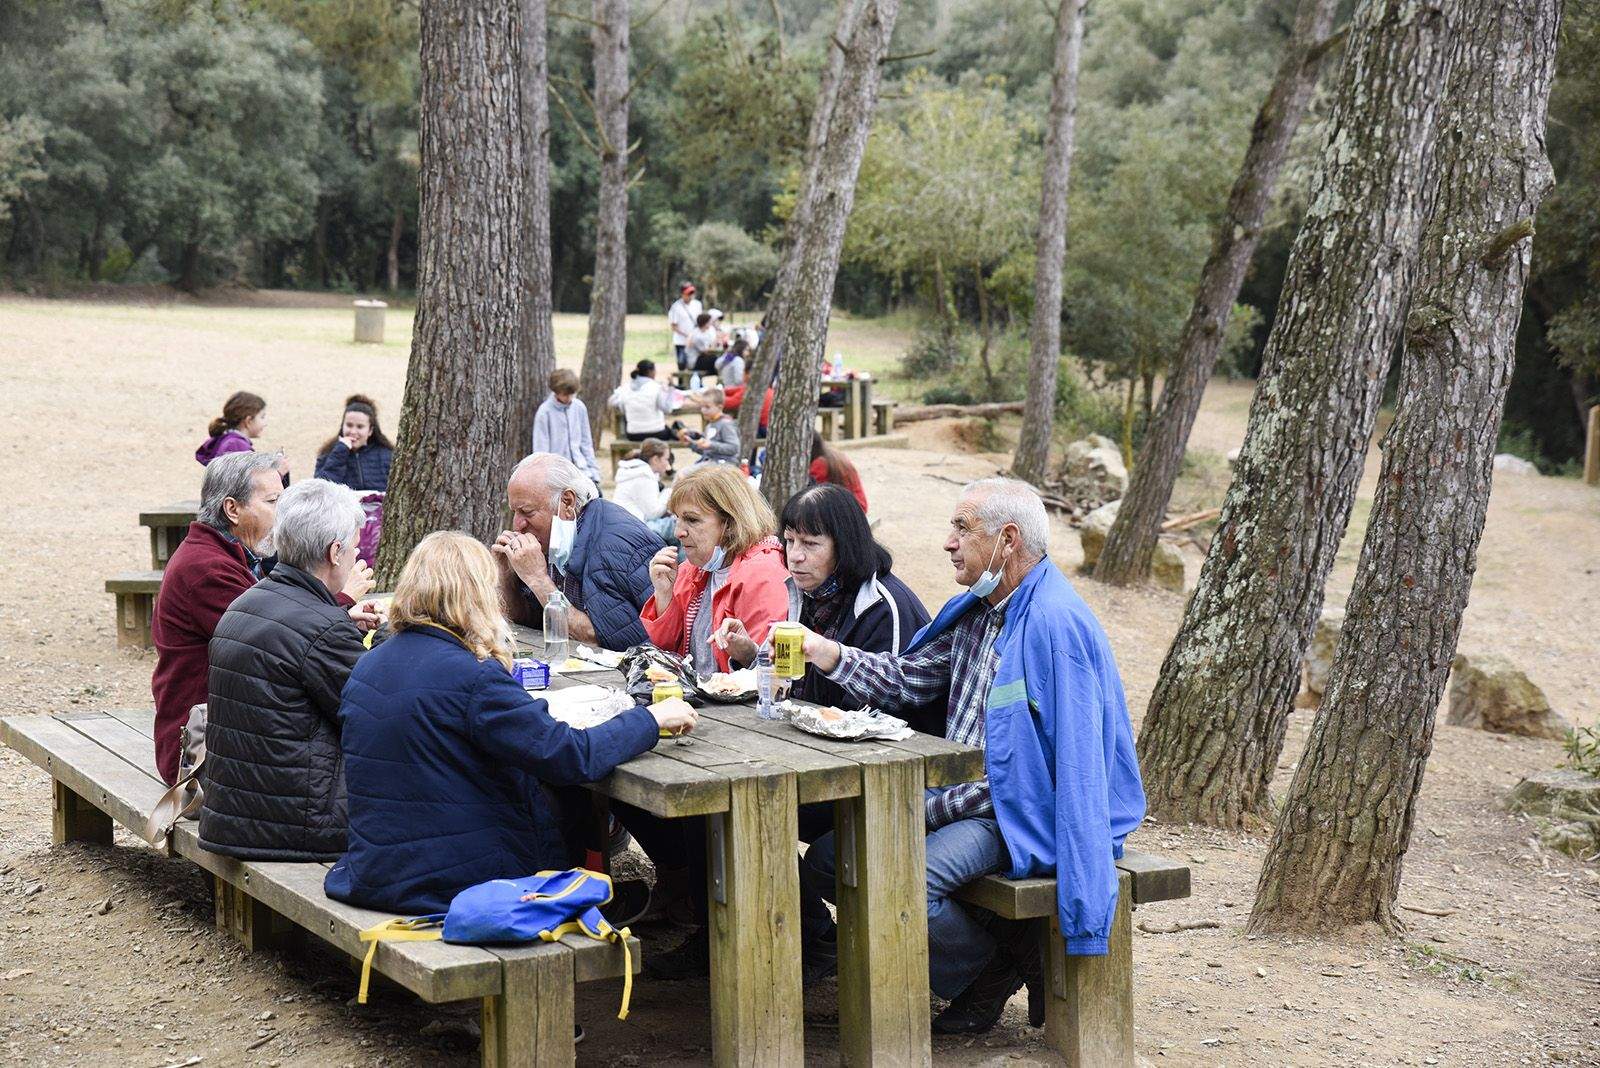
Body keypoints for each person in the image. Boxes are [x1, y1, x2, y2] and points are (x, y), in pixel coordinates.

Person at [796, 479, 1147, 1034]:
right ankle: (1002, 952)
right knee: (824, 859)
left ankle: (985, 975)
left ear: (1007, 540)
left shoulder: (1054, 624)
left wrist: (1086, 884)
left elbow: (1082, 766)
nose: (948, 542)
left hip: (1011, 812)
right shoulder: (978, 610)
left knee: (903, 880)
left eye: (962, 528)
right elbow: (910, 680)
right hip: (955, 796)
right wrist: (830, 655)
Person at [325, 531, 697, 916]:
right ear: (476, 595)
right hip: (458, 879)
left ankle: (588, 887)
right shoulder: (472, 676)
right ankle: (577, 899)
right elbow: (570, 756)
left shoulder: (370, 662)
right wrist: (649, 720)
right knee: (566, 793)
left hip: (376, 867)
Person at [151, 453, 377, 785]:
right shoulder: (207, 570)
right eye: (273, 501)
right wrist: (341, 599)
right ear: (232, 509)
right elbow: (273, 640)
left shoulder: (225, 555)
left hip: (221, 735)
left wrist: (340, 614)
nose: (284, 514)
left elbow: (284, 629)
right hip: (196, 753)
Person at [198, 479, 382, 861]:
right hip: (298, 824)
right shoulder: (322, 628)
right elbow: (380, 716)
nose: (354, 557)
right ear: (335, 552)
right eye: (353, 548)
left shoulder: (248, 601)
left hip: (233, 814)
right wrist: (393, 640)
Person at [494, 453, 661, 651]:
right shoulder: (552, 538)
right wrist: (506, 574)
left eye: (527, 512)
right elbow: (529, 619)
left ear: (567, 502)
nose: (518, 525)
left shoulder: (620, 544)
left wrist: (538, 579)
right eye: (515, 512)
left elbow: (607, 640)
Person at [640, 464, 788, 677]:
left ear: (730, 522)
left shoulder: (762, 574)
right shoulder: (693, 569)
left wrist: (745, 654)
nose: (678, 532)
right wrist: (664, 596)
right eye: (677, 519)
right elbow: (666, 655)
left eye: (692, 520)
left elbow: (769, 673)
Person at [531, 368, 602, 486]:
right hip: (558, 476)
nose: (568, 398)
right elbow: (541, 450)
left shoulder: (579, 407)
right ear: (556, 391)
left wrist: (594, 472)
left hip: (582, 471)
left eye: (571, 394)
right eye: (565, 395)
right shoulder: (544, 413)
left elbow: (586, 442)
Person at [313, 394, 394, 492]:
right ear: (342, 425)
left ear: (370, 431)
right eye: (349, 425)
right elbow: (320, 491)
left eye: (360, 427)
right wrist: (340, 453)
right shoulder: (328, 454)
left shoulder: (387, 455)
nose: (353, 431)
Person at [613, 439, 677, 544]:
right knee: (675, 525)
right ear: (656, 459)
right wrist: (668, 492)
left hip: (625, 524)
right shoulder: (644, 476)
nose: (668, 464)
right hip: (633, 529)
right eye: (666, 459)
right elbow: (653, 513)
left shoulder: (637, 471)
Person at [608, 359, 677, 442]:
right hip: (657, 433)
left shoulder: (626, 388)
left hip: (633, 434)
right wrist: (671, 390)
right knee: (672, 431)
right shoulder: (655, 387)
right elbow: (667, 409)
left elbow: (612, 402)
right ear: (650, 372)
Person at [195, 391, 267, 465]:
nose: (266, 423)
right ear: (248, 421)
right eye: (262, 417)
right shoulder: (237, 446)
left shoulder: (230, 442)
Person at [678, 386, 740, 466]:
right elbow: (707, 451)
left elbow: (734, 448)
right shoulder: (710, 425)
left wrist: (711, 444)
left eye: (707, 407)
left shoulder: (726, 424)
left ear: (719, 407)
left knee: (683, 475)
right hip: (709, 462)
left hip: (723, 464)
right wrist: (690, 444)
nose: (703, 410)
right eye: (702, 406)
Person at [808, 432, 868, 512]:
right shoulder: (832, 454)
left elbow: (812, 495)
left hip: (852, 510)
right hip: (858, 505)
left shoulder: (820, 464)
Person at [667, 282, 702, 370]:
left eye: (692, 293)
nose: (690, 296)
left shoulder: (697, 304)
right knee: (682, 364)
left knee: (695, 365)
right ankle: (682, 383)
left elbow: (700, 322)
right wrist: (687, 336)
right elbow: (674, 326)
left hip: (695, 341)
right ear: (682, 294)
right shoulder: (676, 307)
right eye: (688, 293)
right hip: (681, 342)